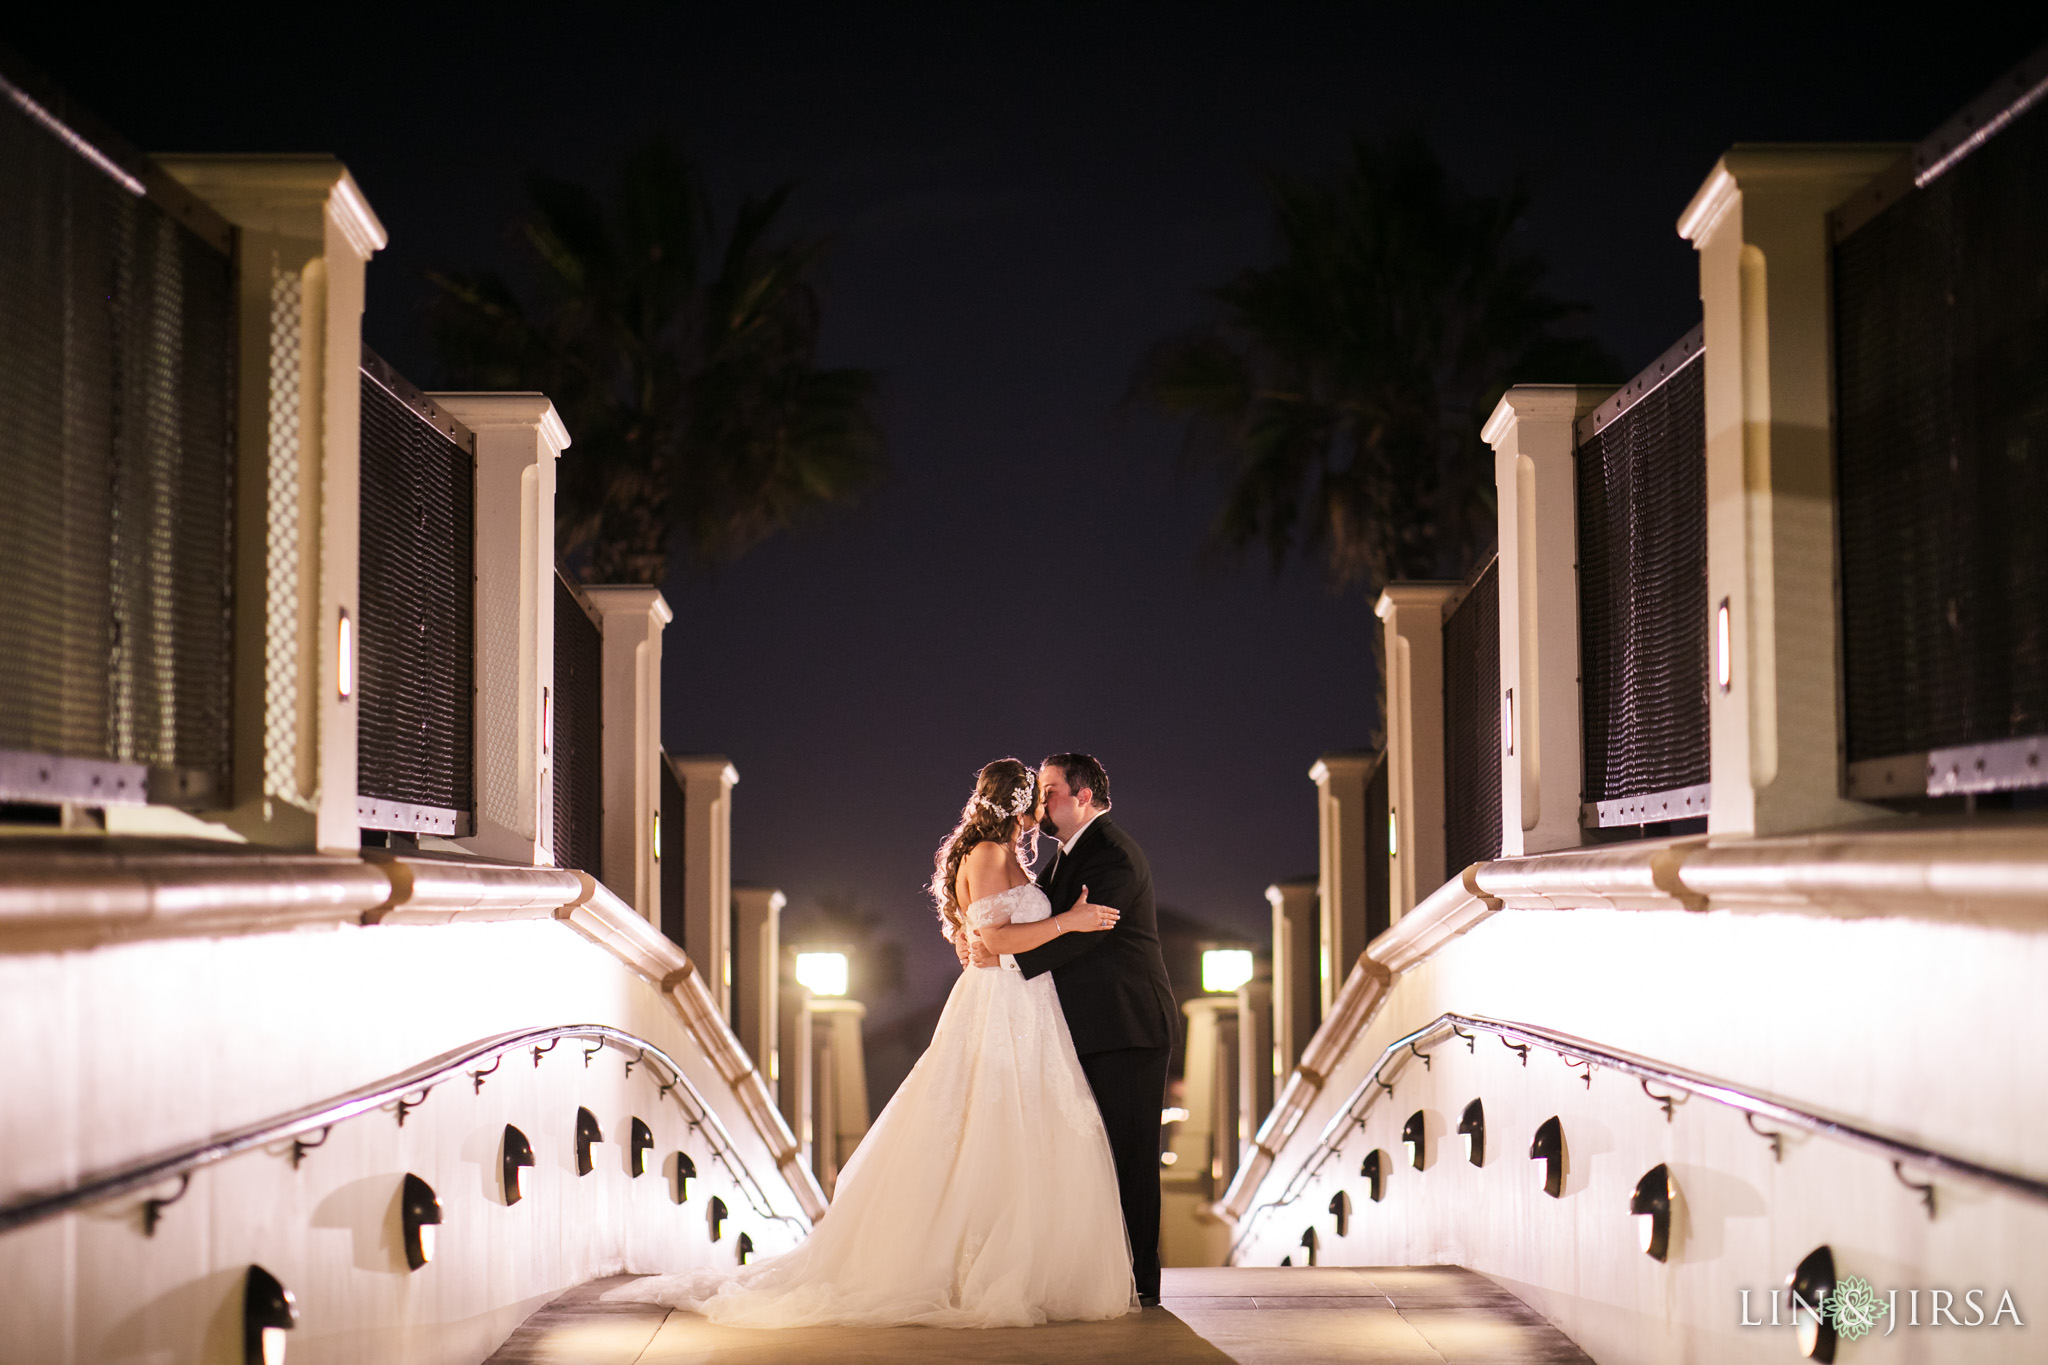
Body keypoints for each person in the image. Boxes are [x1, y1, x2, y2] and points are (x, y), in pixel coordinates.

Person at [609, 758, 1134, 1327]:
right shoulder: (986, 856)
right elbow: (994, 937)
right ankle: (971, 1267)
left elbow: (992, 937)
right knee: (987, 1126)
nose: (1043, 810)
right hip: (997, 1008)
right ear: (1017, 804)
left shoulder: (1012, 858)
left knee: (1031, 1129)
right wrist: (1068, 923)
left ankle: (1031, 1266)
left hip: (1030, 1008)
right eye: (1038, 798)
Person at [968, 752, 1177, 1306]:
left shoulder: (1113, 855)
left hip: (1126, 1028)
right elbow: (1033, 924)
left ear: (1083, 797)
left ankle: (1140, 1282)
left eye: (1053, 790)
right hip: (1083, 1029)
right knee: (1087, 1154)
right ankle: (1090, 1274)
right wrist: (996, 943)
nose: (1043, 801)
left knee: (1129, 1156)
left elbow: (1087, 935)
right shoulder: (1065, 857)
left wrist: (1002, 954)